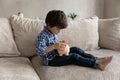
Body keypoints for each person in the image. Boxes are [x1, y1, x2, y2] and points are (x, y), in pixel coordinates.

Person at [36, 10, 113, 71]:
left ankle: (96, 58)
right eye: (57, 29)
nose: (59, 31)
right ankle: (98, 64)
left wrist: (60, 44)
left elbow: (55, 45)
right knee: (74, 57)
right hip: (51, 60)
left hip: (57, 53)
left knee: (76, 49)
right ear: (49, 24)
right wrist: (54, 46)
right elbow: (39, 51)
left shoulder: (52, 32)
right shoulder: (42, 36)